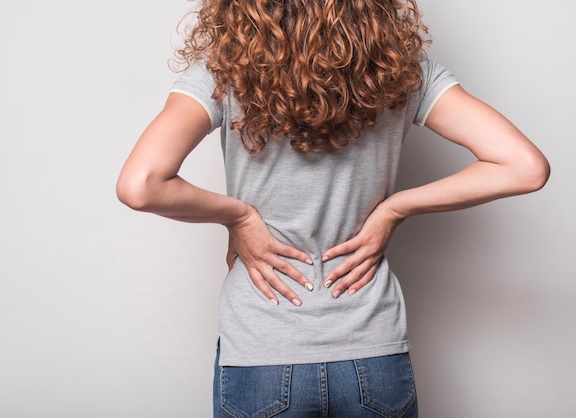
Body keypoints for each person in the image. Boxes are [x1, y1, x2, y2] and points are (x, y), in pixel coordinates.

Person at [116, 0, 550, 416]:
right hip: (372, 352)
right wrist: (394, 209)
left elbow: (141, 185)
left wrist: (239, 216)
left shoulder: (223, 73)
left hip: (262, 348)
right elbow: (524, 166)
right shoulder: (402, 73)